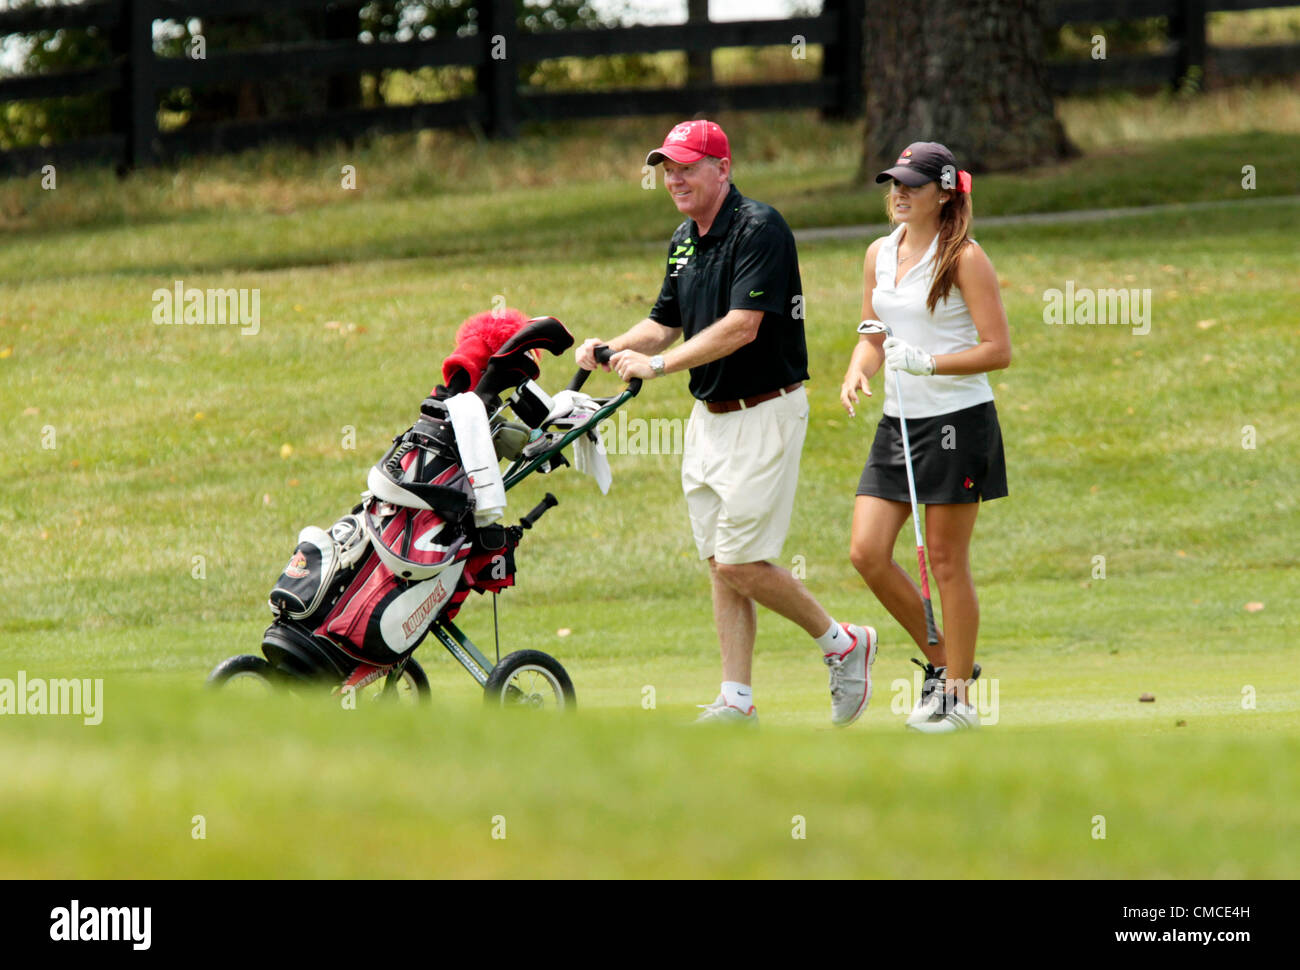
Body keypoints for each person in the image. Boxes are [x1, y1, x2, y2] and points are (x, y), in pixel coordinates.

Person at [577, 119, 878, 727]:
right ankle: (736, 699)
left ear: (723, 168)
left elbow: (744, 326)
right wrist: (610, 346)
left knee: (741, 561)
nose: (675, 178)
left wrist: (656, 365)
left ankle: (842, 642)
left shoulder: (760, 228)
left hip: (765, 409)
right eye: (668, 168)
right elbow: (665, 322)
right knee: (720, 560)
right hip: (708, 418)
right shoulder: (685, 238)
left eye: (688, 166)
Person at [839, 141, 1012, 733]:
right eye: (894, 182)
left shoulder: (964, 257)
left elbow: (998, 350)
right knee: (866, 551)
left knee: (944, 561)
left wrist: (930, 363)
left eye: (913, 183)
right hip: (898, 421)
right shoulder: (878, 254)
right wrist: (861, 365)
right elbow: (872, 331)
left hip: (956, 423)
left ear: (944, 192)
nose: (899, 191)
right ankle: (944, 665)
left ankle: (958, 699)